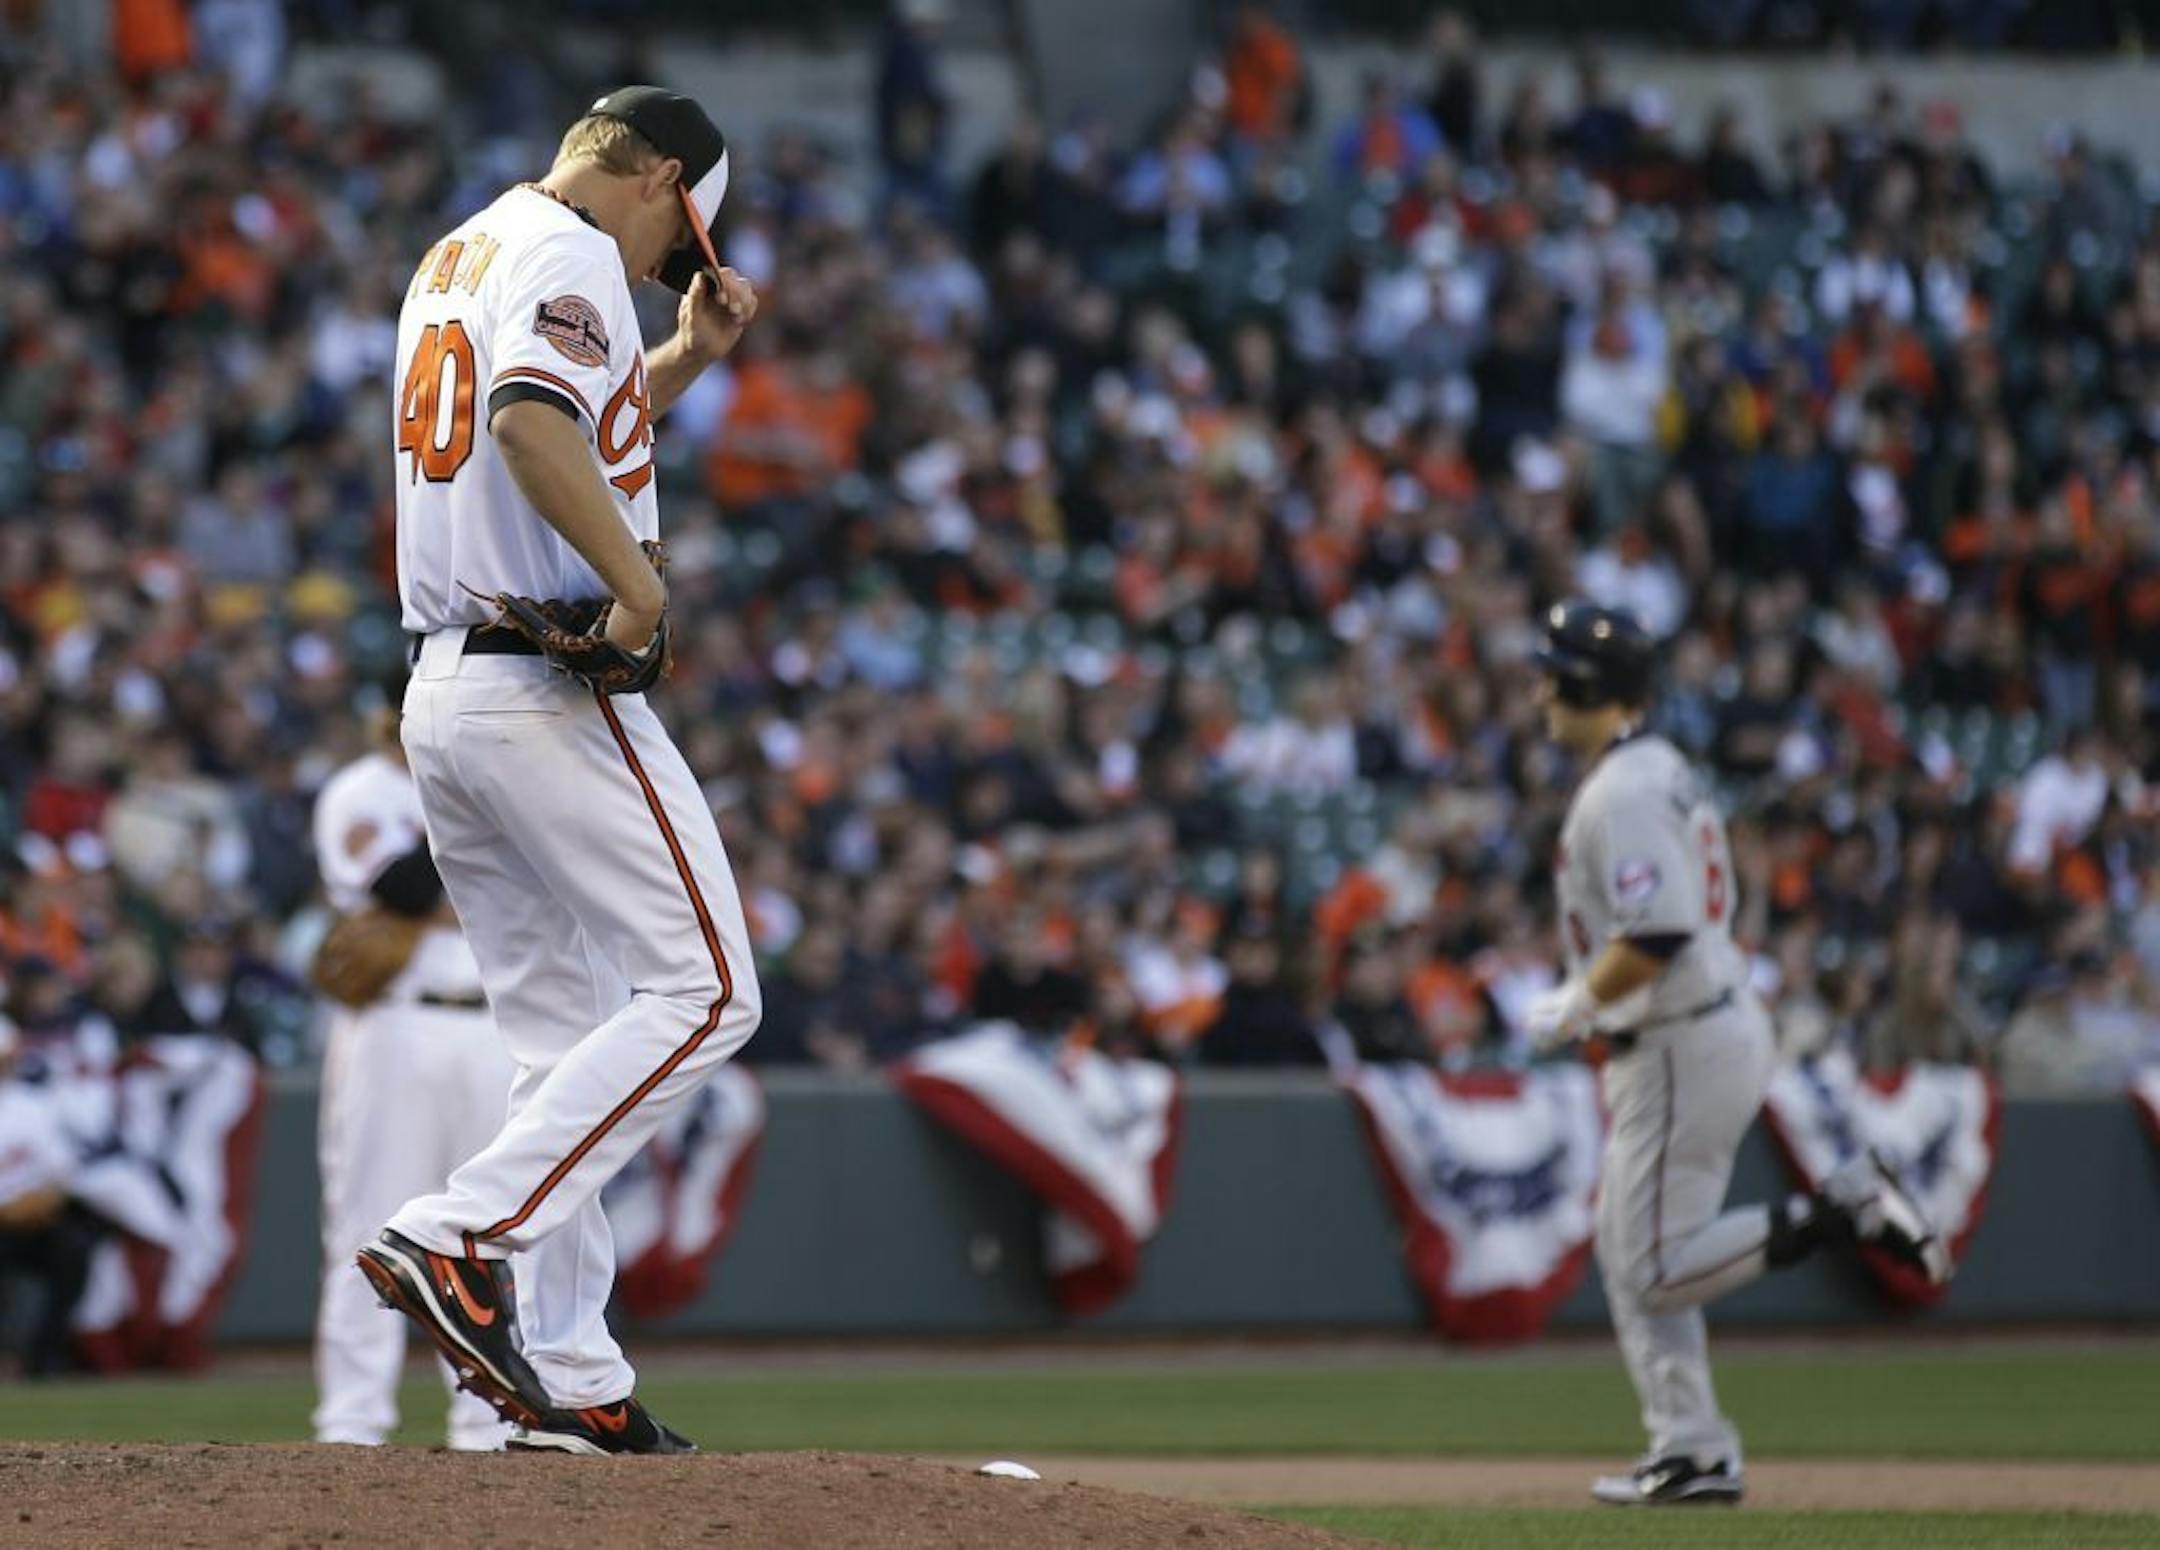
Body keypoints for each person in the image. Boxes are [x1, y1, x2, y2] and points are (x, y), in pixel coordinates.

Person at [356, 86, 764, 1458]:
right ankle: (456, 1230)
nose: (679, 259)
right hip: (540, 682)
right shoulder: (578, 247)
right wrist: (638, 585)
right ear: (648, 171)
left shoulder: (465, 247)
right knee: (709, 991)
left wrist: (680, 362)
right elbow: (535, 428)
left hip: (446, 690)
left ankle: (576, 1372)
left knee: (560, 1035)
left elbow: (552, 419)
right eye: (684, 224)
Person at [1524, 600, 1949, 1507]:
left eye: (1553, 672)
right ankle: (1693, 1449)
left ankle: (1839, 1211)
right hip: (1697, 1028)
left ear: (1589, 685)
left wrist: (1574, 1003)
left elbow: (1662, 927)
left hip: (1680, 1036)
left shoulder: (1625, 787)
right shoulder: (1655, 766)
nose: (1540, 689)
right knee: (1630, 1250)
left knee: (1650, 1266)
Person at [310, 701, 516, 1451]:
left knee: (490, 1229)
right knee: (368, 1224)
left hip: (495, 1027)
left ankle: (487, 1419)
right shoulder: (361, 792)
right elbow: (401, 890)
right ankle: (352, 1422)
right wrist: (468, 816)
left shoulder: (506, 780)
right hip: (394, 1022)